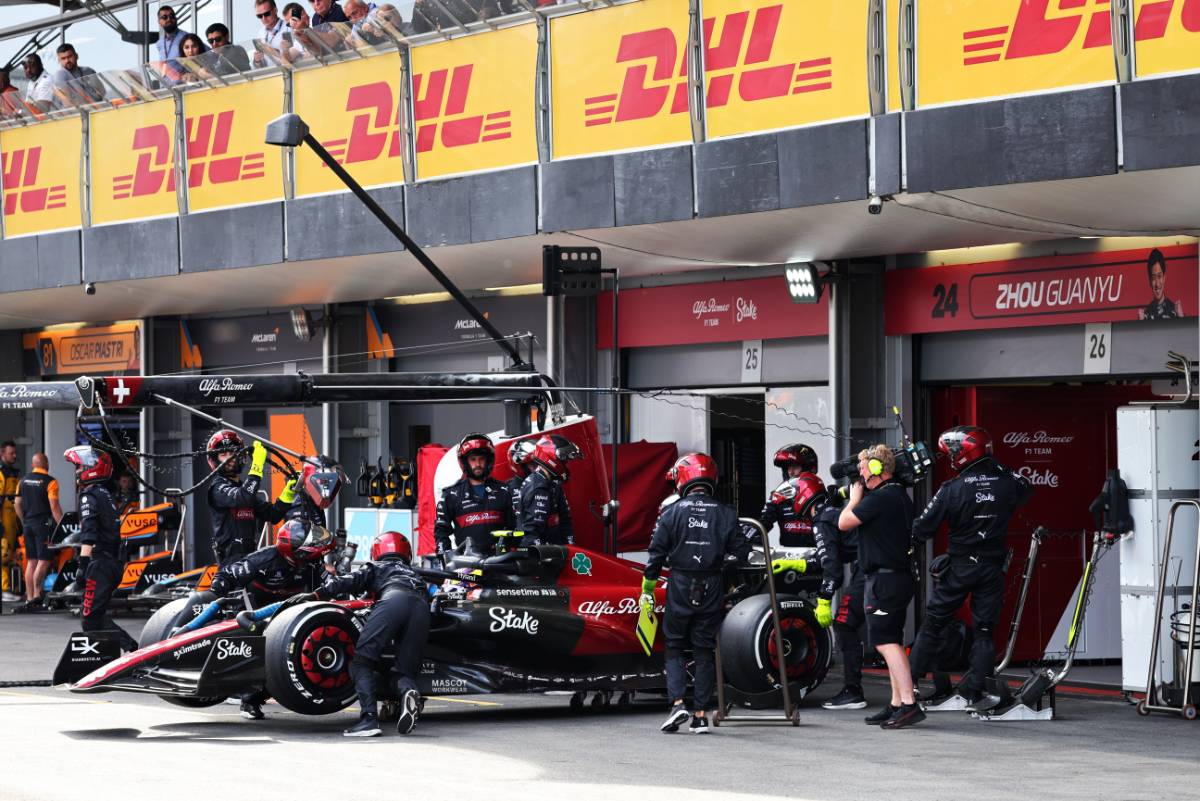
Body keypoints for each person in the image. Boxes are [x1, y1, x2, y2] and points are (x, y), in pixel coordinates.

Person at [907, 426, 1032, 709]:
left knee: (933, 624)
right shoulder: (1006, 482)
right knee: (985, 630)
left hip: (960, 566)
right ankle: (975, 690)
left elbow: (923, 528)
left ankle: (908, 683)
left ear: (963, 454)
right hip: (991, 568)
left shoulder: (951, 489)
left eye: (952, 452)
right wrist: (996, 466)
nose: (950, 457)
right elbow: (1026, 489)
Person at [643, 452, 749, 735]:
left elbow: (656, 553)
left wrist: (648, 587)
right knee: (704, 649)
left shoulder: (671, 512)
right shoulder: (727, 512)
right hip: (712, 584)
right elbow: (741, 554)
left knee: (675, 646)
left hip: (679, 582)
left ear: (683, 478)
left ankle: (678, 703)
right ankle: (701, 716)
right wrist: (727, 581)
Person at [197, 517, 336, 718]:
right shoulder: (263, 559)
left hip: (291, 612)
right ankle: (249, 699)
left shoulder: (313, 563)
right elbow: (225, 575)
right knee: (266, 655)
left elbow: (333, 586)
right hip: (256, 613)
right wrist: (218, 593)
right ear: (295, 550)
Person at [837, 444, 920, 729]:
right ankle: (897, 703)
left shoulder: (882, 498)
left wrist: (854, 499)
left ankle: (909, 703)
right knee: (891, 642)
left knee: (885, 643)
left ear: (876, 470)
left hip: (885, 580)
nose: (859, 476)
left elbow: (844, 523)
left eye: (862, 469)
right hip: (893, 577)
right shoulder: (897, 495)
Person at [324, 531, 429, 737]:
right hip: (422, 608)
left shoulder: (377, 566)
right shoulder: (415, 574)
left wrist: (322, 590)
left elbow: (349, 581)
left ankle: (368, 720)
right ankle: (408, 692)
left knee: (361, 662)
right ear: (406, 552)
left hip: (393, 601)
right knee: (403, 672)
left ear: (376, 551)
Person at [65, 446, 138, 652]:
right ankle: (118, 656)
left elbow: (89, 532)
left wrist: (82, 565)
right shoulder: (105, 493)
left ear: (90, 468)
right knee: (94, 616)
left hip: (102, 563)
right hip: (112, 562)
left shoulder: (89, 496)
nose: (77, 471)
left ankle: (134, 652)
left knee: (91, 618)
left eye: (79, 467)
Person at [206, 431, 286, 567]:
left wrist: (288, 493)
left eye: (232, 453)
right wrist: (257, 466)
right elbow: (244, 498)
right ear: (214, 459)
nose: (229, 458)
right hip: (230, 565)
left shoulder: (243, 489)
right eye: (223, 454)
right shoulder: (217, 488)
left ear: (241, 455)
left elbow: (273, 514)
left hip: (249, 561)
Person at [433, 433, 513, 556]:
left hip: (500, 562)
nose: (478, 464)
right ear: (465, 462)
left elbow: (515, 528)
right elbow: (441, 532)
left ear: (488, 461)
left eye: (481, 459)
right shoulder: (451, 494)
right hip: (466, 564)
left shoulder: (504, 490)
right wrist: (447, 557)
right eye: (473, 459)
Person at [14, 453, 62, 610]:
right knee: (44, 560)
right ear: (46, 464)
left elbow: (17, 503)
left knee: (31, 561)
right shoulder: (51, 482)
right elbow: (54, 507)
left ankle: (29, 598)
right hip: (44, 524)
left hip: (28, 523)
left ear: (33, 465)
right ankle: (36, 596)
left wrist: (24, 520)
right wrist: (62, 525)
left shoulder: (22, 481)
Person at [516, 434, 580, 546]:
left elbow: (565, 519)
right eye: (565, 461)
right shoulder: (538, 486)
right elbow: (532, 533)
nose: (566, 465)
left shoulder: (552, 482)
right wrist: (539, 557)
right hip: (538, 555)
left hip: (553, 550)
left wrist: (570, 546)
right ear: (553, 459)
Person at [760, 443, 819, 547]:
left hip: (816, 556)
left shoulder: (820, 494)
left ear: (808, 468)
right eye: (788, 468)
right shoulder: (778, 495)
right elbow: (764, 523)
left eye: (795, 467)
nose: (791, 472)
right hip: (788, 556)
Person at [1, 440, 22, 602]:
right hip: (4, 520)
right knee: (3, 553)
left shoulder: (13, 473)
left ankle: (9, 587)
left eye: (15, 453)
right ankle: (3, 588)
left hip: (13, 520)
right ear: (2, 454)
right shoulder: (1, 473)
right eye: (11, 453)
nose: (14, 456)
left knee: (12, 553)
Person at [1139, 248, 1183, 320]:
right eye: (1153, 278)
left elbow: (1184, 331)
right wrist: (1140, 324)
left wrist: (1181, 319)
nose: (1157, 284)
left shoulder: (1175, 311)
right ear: (1149, 281)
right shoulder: (1145, 315)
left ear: (1164, 278)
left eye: (1159, 276)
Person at [154, 6, 191, 84]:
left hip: (184, 87)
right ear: (159, 22)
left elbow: (206, 55)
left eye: (171, 16)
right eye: (164, 17)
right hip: (166, 88)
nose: (169, 19)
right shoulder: (159, 43)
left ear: (176, 18)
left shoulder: (186, 37)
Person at [504, 437, 537, 520]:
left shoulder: (550, 482)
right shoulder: (506, 489)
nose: (537, 467)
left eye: (538, 462)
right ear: (520, 465)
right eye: (532, 464)